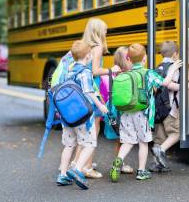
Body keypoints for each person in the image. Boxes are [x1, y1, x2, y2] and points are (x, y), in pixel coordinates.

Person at [109, 43, 182, 182]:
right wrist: (172, 69)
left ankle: (119, 160)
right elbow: (165, 83)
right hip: (143, 114)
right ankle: (141, 171)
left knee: (128, 142)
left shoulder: (125, 74)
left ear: (128, 59)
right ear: (145, 59)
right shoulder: (148, 73)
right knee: (143, 142)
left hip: (126, 113)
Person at [71, 18, 120, 179]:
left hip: (82, 89)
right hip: (94, 88)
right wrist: (111, 69)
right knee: (94, 128)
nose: (106, 33)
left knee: (86, 128)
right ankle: (86, 167)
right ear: (98, 32)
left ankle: (77, 163)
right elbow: (94, 71)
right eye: (105, 30)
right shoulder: (97, 47)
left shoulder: (85, 47)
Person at [57, 40, 108, 189]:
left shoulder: (69, 69)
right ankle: (77, 169)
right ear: (88, 56)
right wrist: (100, 106)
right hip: (82, 116)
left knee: (69, 145)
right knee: (90, 143)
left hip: (67, 115)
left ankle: (63, 174)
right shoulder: (85, 72)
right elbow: (88, 91)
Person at [150, 41, 189, 172]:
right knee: (176, 133)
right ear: (175, 54)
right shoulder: (173, 66)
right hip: (170, 108)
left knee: (160, 136)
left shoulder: (159, 66)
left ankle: (155, 164)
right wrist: (188, 86)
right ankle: (161, 151)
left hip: (158, 108)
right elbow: (171, 85)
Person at [101, 46, 134, 174]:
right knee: (124, 138)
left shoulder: (114, 73)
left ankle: (120, 161)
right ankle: (120, 163)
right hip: (121, 109)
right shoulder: (125, 75)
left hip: (113, 108)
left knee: (120, 138)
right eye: (129, 58)